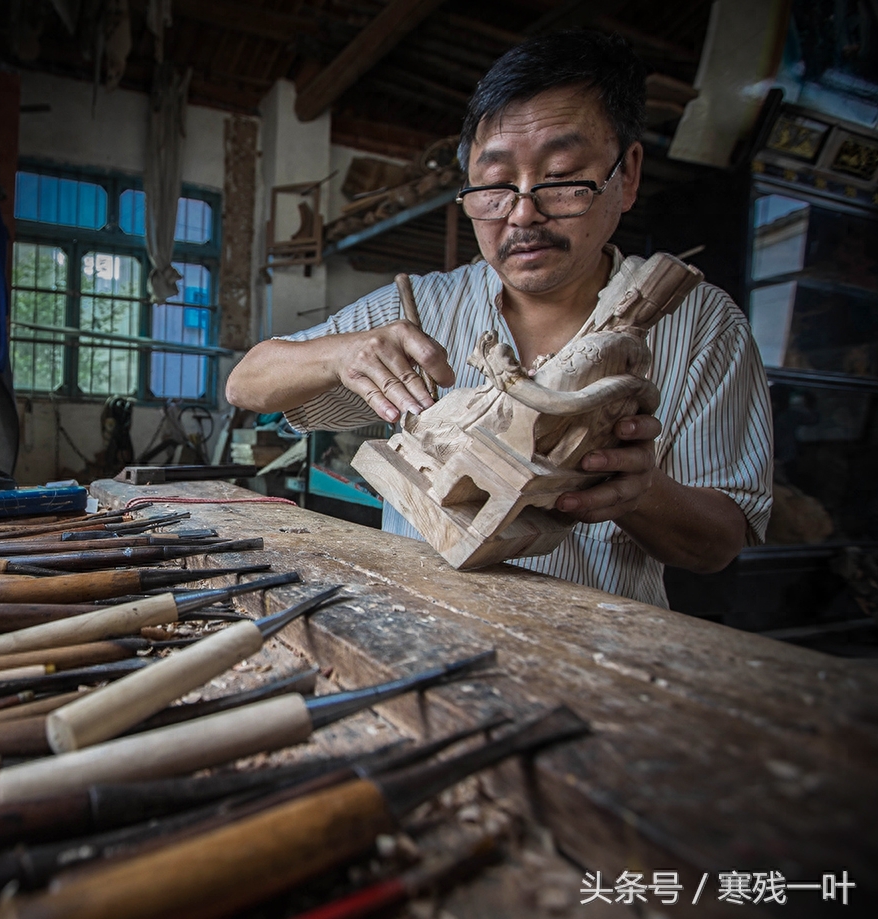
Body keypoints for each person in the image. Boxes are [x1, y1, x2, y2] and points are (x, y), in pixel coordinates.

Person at [225, 31, 773, 607]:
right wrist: (342, 353)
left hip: (598, 660)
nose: (523, 213)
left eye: (561, 176)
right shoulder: (424, 306)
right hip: (419, 626)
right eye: (494, 184)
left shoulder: (701, 322)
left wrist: (639, 494)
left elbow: (720, 543)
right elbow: (246, 382)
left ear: (627, 174)